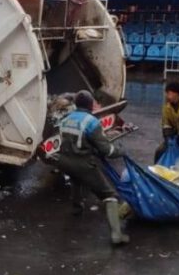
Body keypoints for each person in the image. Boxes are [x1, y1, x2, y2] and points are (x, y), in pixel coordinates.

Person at [54, 90, 130, 246]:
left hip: (64, 162)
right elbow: (106, 150)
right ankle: (117, 235)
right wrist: (121, 151)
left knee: (76, 179)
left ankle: (76, 209)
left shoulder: (65, 119)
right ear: (90, 105)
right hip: (83, 163)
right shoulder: (92, 122)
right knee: (110, 196)